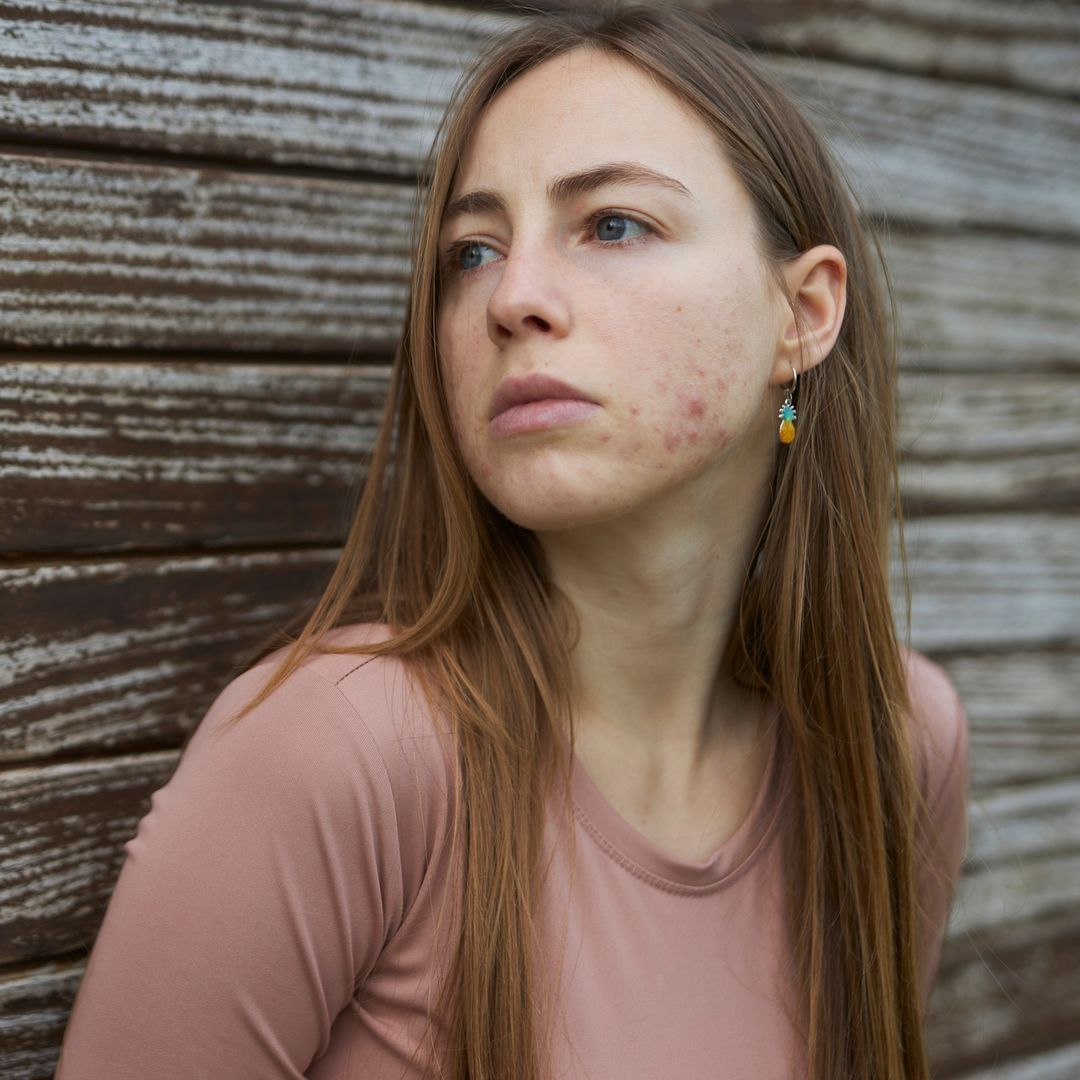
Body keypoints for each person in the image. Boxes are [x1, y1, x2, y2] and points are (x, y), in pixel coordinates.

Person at [54, 5, 969, 1079]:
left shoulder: (895, 744)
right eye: (472, 252)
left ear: (803, 313)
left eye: (613, 224)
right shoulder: (339, 754)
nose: (512, 298)